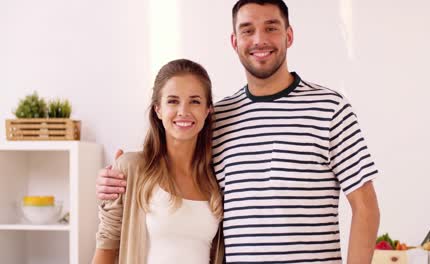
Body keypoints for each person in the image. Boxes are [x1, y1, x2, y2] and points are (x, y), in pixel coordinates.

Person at [96, 1, 380, 263]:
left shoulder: (329, 109)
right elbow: (176, 170)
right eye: (248, 30)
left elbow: (366, 209)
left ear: (289, 36)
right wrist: (119, 177)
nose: (259, 40)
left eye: (271, 28)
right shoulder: (219, 118)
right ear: (234, 42)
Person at [92, 59, 224, 264]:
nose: (184, 111)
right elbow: (105, 250)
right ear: (158, 109)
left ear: (208, 110)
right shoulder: (130, 169)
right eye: (173, 101)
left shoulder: (215, 179)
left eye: (195, 101)